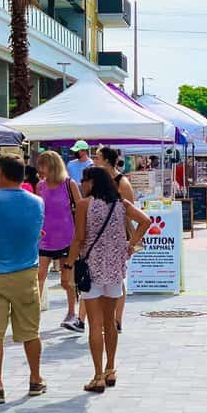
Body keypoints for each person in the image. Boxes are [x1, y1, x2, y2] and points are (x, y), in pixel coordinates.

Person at [70, 166, 150, 393]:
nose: (82, 184)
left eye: (84, 180)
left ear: (92, 182)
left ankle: (97, 376)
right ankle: (111, 369)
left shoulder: (85, 205)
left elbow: (79, 238)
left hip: (92, 268)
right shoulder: (121, 204)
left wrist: (68, 263)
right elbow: (145, 221)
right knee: (110, 322)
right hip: (115, 268)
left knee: (94, 324)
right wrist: (130, 244)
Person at [0, 155, 45, 404]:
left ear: (1, 174)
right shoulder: (37, 202)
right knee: (30, 332)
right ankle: (35, 379)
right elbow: (37, 232)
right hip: (26, 272)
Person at [36, 151, 84, 332]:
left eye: (43, 165)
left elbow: (80, 209)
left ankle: (72, 312)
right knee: (39, 276)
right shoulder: (40, 186)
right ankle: (34, 314)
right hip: (45, 237)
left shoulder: (69, 184)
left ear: (52, 166)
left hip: (67, 237)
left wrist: (81, 236)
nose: (40, 170)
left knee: (66, 280)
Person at [94, 147, 134, 332]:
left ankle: (117, 319)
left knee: (118, 277)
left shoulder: (122, 182)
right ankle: (102, 319)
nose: (94, 160)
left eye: (98, 157)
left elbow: (129, 212)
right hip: (100, 237)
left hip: (119, 236)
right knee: (101, 277)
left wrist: (129, 240)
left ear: (108, 161)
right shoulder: (99, 180)